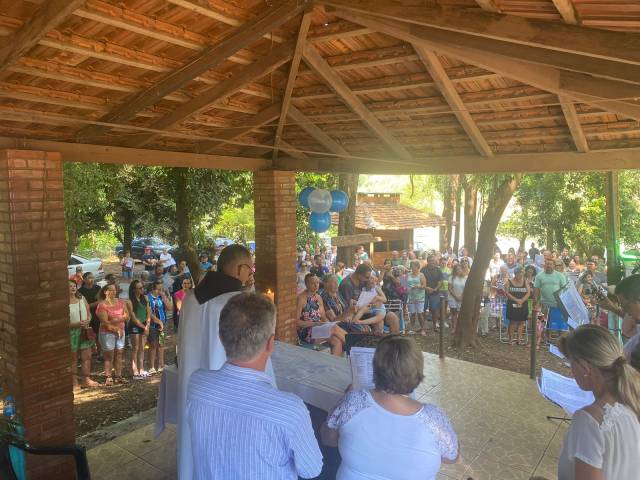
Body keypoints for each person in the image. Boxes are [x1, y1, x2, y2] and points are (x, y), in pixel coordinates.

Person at [186, 293, 323, 479]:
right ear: (270, 343)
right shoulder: (290, 410)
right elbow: (312, 470)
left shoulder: (197, 384)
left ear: (220, 337)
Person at [177, 244, 271, 480]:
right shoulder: (238, 302)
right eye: (250, 268)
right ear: (239, 268)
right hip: (227, 393)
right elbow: (254, 350)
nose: (251, 274)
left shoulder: (190, 297)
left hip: (193, 387)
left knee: (194, 450)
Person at [321, 336, 459, 480]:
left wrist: (343, 400)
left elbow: (328, 439)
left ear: (374, 369)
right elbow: (452, 457)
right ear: (417, 372)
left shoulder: (354, 401)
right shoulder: (433, 418)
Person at [557, 325, 640, 480]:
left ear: (584, 367)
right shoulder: (632, 403)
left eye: (571, 364)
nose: (571, 371)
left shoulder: (589, 421)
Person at [339, 263, 400, 334]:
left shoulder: (363, 279)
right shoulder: (347, 284)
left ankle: (395, 342)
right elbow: (347, 308)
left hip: (372, 308)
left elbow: (376, 282)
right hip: (358, 312)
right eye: (367, 277)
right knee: (379, 323)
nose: (368, 279)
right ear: (359, 274)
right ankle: (373, 343)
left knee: (393, 317)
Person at [296, 273, 346, 356]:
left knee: (337, 342)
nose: (316, 286)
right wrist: (315, 323)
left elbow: (323, 317)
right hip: (307, 332)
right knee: (333, 328)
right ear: (306, 284)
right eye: (313, 283)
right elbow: (297, 322)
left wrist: (327, 324)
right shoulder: (301, 298)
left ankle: (333, 367)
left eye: (318, 283)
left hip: (318, 328)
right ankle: (355, 346)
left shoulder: (318, 298)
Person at [96, 284, 129, 386]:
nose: (114, 292)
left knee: (119, 354)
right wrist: (116, 328)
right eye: (111, 290)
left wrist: (116, 320)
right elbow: (105, 323)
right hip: (107, 333)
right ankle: (108, 377)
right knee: (109, 356)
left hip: (120, 331)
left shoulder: (121, 302)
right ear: (105, 292)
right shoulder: (102, 305)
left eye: (115, 290)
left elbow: (127, 315)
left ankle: (118, 376)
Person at [69, 280, 98, 389]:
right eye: (70, 286)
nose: (73, 288)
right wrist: (75, 324)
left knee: (87, 356)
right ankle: (74, 381)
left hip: (84, 330)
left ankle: (87, 379)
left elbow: (89, 313)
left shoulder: (82, 298)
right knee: (73, 358)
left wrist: (87, 321)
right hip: (72, 333)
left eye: (74, 286)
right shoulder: (64, 302)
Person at [534, 258, 568, 332]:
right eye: (547, 264)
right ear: (544, 265)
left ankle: (559, 340)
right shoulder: (539, 276)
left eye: (551, 264)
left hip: (558, 304)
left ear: (554, 266)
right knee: (542, 322)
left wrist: (564, 302)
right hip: (543, 304)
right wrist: (537, 302)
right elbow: (536, 290)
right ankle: (545, 338)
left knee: (559, 323)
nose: (548, 265)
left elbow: (565, 290)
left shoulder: (560, 276)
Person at [125, 280, 150, 379]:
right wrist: (144, 327)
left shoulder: (146, 298)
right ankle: (135, 371)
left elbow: (148, 312)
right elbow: (133, 318)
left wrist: (147, 325)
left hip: (144, 324)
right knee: (135, 348)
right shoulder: (129, 301)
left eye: (142, 287)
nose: (142, 289)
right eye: (139, 288)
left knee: (142, 348)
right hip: (135, 326)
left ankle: (141, 369)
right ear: (134, 290)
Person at [147, 280, 171, 374]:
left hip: (163, 324)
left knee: (161, 344)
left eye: (162, 289)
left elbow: (169, 308)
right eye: (158, 289)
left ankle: (161, 364)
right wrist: (157, 321)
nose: (160, 291)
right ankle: (152, 366)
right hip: (153, 325)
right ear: (153, 288)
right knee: (153, 345)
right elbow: (149, 312)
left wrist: (164, 296)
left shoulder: (162, 297)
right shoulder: (148, 297)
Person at [505, 266, 530, 345]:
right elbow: (507, 293)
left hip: (523, 303)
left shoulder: (525, 281)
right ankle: (511, 338)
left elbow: (528, 292)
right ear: (516, 273)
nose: (521, 275)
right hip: (512, 303)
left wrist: (522, 300)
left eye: (522, 274)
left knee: (521, 322)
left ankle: (519, 339)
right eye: (520, 274)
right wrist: (516, 300)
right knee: (512, 321)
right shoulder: (509, 281)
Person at [421, 255, 443, 333]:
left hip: (435, 292)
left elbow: (440, 282)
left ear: (435, 261)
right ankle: (422, 327)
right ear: (428, 261)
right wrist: (427, 288)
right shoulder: (423, 270)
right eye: (430, 260)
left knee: (434, 309)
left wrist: (435, 289)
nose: (432, 262)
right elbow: (420, 280)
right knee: (422, 309)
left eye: (433, 260)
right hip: (424, 292)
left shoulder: (438, 270)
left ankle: (434, 326)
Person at [407, 260, 427, 335]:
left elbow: (424, 285)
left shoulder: (421, 275)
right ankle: (412, 328)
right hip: (411, 296)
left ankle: (422, 329)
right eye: (412, 266)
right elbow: (404, 284)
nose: (413, 267)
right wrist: (406, 288)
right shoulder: (408, 274)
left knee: (420, 313)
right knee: (412, 313)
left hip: (420, 297)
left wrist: (419, 286)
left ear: (418, 267)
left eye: (414, 266)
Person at [448, 265, 467, 334]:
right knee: (454, 313)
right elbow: (449, 288)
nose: (458, 270)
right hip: (452, 297)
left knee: (461, 313)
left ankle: (460, 328)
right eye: (457, 269)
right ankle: (454, 327)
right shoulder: (451, 278)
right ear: (454, 270)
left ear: (462, 269)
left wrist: (461, 296)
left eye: (459, 269)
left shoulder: (465, 277)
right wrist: (455, 296)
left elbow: (466, 288)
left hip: (462, 297)